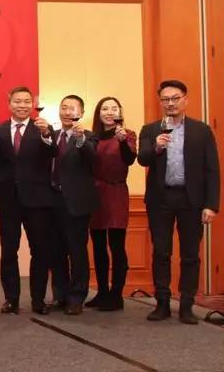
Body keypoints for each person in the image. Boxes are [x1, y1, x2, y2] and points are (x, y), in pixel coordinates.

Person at [139, 79, 220, 325]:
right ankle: (162, 303)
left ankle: (186, 305)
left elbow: (212, 170)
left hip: (191, 199)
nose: (170, 103)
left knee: (190, 254)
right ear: (160, 102)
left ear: (185, 99)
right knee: (161, 252)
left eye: (175, 98)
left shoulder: (201, 130)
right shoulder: (150, 129)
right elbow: (142, 159)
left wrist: (211, 204)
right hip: (160, 198)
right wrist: (156, 147)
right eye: (165, 99)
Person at [0, 86, 56, 315]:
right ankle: (11, 299)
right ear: (9, 103)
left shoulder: (43, 128)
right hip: (7, 199)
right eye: (18, 101)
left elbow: (53, 153)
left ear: (32, 104)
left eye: (27, 101)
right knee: (9, 250)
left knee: (40, 250)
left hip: (38, 199)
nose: (22, 105)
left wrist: (46, 135)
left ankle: (38, 299)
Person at [48, 95, 98, 315]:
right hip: (51, 200)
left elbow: (92, 157)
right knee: (55, 251)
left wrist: (80, 139)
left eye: (73, 109)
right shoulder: (52, 135)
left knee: (76, 251)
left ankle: (77, 296)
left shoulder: (89, 136)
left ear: (81, 113)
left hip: (76, 202)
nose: (67, 112)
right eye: (64, 107)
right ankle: (60, 295)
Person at [86, 96, 136, 311]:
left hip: (116, 193)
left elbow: (129, 159)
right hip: (94, 194)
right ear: (98, 113)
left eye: (114, 108)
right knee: (98, 246)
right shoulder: (91, 137)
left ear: (120, 112)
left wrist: (122, 140)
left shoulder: (128, 135)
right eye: (105, 109)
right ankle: (102, 292)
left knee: (116, 246)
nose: (109, 112)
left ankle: (116, 294)